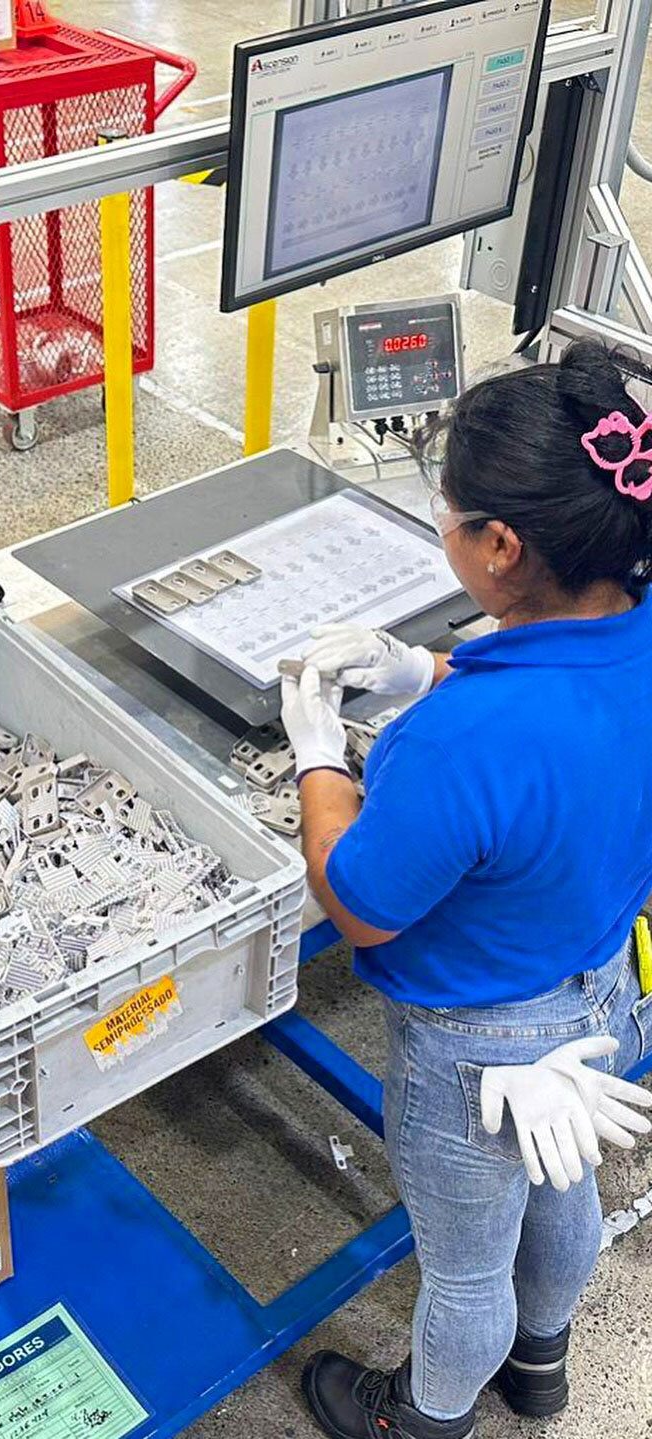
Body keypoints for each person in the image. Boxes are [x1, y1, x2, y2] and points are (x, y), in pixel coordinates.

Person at [279, 340, 652, 1439]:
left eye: (446, 512)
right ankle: (541, 1367)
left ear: (498, 545)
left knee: (465, 1264)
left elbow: (360, 898)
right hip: (594, 999)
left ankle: (425, 1416)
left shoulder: (467, 741)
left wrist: (317, 757)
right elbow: (559, 701)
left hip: (475, 1051)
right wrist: (419, 666)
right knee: (564, 1185)